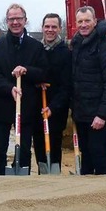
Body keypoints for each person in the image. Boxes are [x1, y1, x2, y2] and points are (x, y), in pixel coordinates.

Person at [0, 3, 47, 175]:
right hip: (3, 104)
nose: (15, 22)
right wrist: (10, 88)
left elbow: (44, 72)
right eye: (11, 19)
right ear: (6, 21)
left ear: (25, 20)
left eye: (18, 18)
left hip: (27, 105)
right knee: (0, 148)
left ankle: (22, 180)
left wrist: (27, 70)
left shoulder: (36, 46)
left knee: (24, 149)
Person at [70, 6, 106, 175]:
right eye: (80, 21)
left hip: (98, 115)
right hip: (82, 112)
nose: (83, 25)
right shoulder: (76, 43)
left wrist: (102, 114)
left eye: (87, 21)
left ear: (95, 21)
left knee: (100, 154)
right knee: (86, 154)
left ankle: (103, 194)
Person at [32, 13, 72, 173]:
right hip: (37, 107)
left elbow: (66, 85)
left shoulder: (65, 53)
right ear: (42, 28)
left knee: (54, 144)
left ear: (59, 29)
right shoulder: (36, 50)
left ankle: (54, 174)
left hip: (56, 109)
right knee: (39, 144)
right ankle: (42, 172)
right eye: (47, 26)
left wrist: (53, 107)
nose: (50, 30)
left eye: (54, 27)